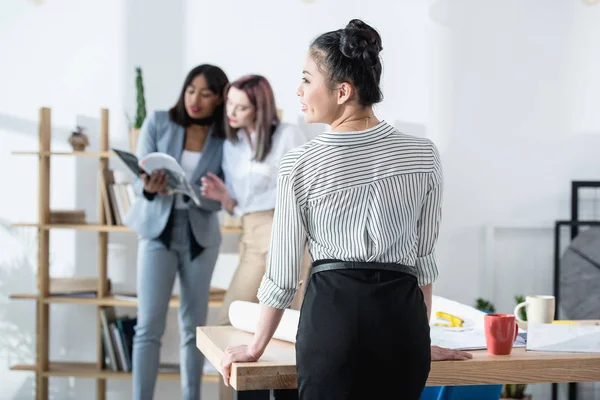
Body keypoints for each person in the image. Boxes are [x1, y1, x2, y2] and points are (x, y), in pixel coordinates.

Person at [219, 20, 473, 400]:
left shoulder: (300, 163)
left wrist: (256, 346)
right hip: (402, 328)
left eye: (307, 79)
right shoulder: (424, 154)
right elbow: (423, 262)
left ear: (342, 91)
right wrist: (421, 339)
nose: (299, 91)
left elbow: (283, 276)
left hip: (331, 326)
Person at [124, 64, 229, 400]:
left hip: (201, 235)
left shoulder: (226, 137)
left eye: (206, 93)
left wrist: (206, 195)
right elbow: (138, 177)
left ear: (219, 99)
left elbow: (224, 196)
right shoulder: (158, 121)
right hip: (158, 231)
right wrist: (151, 187)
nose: (195, 99)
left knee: (194, 328)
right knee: (148, 326)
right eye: (190, 90)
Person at [200, 74, 312, 329]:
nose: (231, 111)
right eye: (229, 103)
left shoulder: (287, 135)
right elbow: (240, 205)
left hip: (282, 231)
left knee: (287, 326)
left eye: (241, 107)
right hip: (249, 233)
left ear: (260, 109)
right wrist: (224, 198)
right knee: (234, 323)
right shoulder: (233, 145)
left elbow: (305, 189)